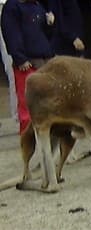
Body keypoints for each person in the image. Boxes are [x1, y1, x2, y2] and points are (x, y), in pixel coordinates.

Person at [0, 0, 56, 133]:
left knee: (47, 100)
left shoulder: (36, 5)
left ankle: (49, 130)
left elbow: (46, 33)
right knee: (26, 101)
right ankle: (27, 135)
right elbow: (11, 34)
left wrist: (50, 22)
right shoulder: (12, 7)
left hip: (44, 59)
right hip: (26, 63)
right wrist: (19, 58)